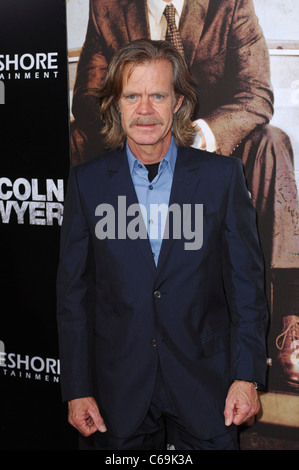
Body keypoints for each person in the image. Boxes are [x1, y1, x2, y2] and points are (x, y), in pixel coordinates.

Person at [70, 0, 299, 389]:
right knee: (75, 137)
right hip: (136, 145)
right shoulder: (108, 7)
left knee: (271, 142)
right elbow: (89, 98)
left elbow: (255, 94)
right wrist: (142, 137)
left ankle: (290, 321)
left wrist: (199, 138)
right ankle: (91, 320)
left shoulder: (231, 5)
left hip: (213, 148)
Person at [57, 39, 268, 450]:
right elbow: (73, 296)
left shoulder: (221, 178)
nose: (145, 110)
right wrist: (76, 387)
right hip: (116, 389)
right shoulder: (87, 183)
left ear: (178, 102)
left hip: (208, 386)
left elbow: (247, 288)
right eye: (132, 96)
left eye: (158, 95)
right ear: (116, 105)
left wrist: (246, 377)